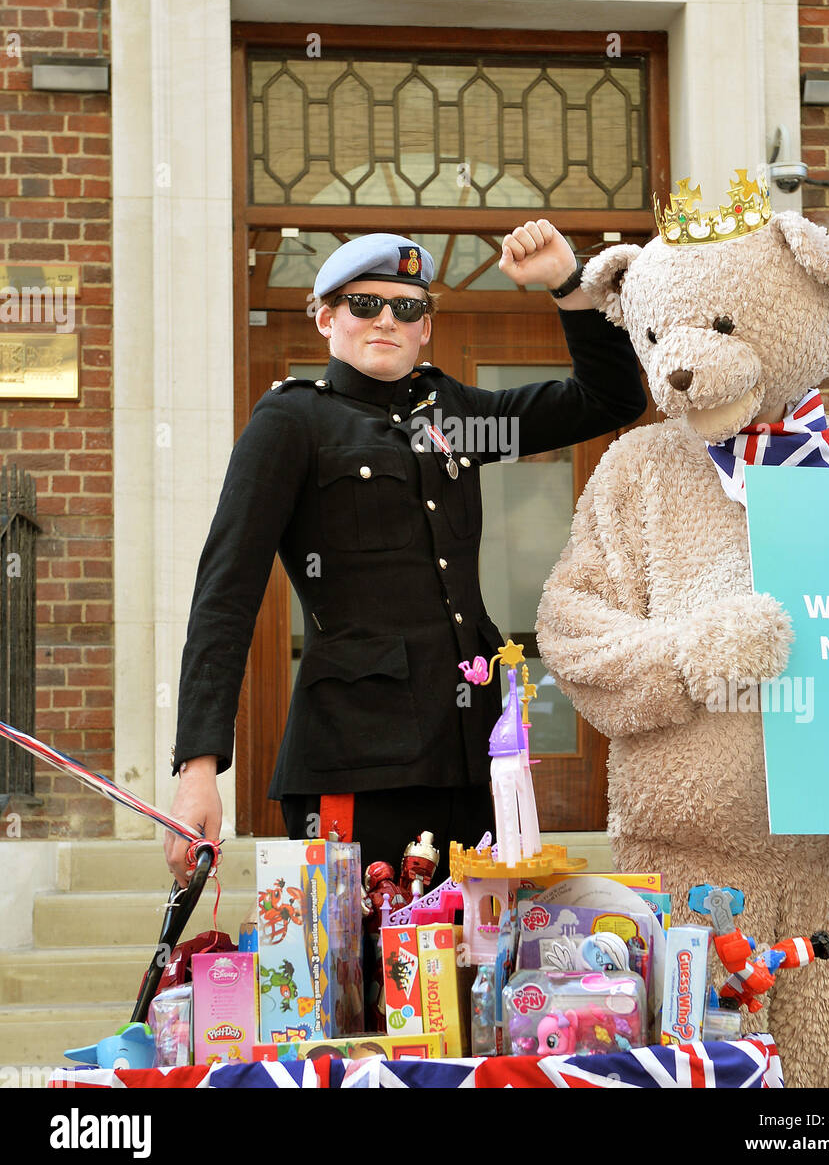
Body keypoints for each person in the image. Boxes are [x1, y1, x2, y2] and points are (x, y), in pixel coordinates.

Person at [163, 220, 645, 886]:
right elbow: (225, 594)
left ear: (425, 329)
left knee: (473, 972)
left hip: (474, 755)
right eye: (365, 304)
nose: (386, 319)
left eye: (407, 307)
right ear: (327, 319)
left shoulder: (450, 415)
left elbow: (609, 398)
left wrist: (568, 283)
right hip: (358, 762)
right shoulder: (290, 423)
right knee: (364, 978)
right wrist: (198, 768)